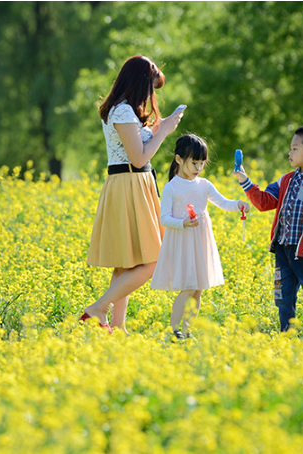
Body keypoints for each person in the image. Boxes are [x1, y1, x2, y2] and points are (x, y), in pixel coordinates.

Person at [82, 55, 183, 334]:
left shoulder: (122, 110)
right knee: (153, 262)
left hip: (134, 183)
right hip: (130, 181)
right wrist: (164, 132)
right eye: (151, 86)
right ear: (140, 82)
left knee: (127, 262)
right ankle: (97, 308)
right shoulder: (123, 111)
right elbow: (139, 157)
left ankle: (116, 326)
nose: (151, 93)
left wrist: (158, 127)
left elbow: (135, 144)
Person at [233, 123, 303, 340]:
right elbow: (265, 202)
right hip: (283, 249)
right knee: (282, 297)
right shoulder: (285, 180)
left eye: (295, 148)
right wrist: (244, 181)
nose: (289, 152)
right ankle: (287, 336)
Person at [151, 134, 250, 339]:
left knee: (198, 289)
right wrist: (183, 223)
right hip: (183, 241)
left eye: (202, 163)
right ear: (178, 159)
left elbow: (223, 203)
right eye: (194, 162)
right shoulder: (172, 187)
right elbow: (164, 218)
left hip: (201, 242)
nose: (198, 168)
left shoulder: (204, 184)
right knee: (188, 288)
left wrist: (238, 204)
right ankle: (174, 329)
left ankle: (187, 331)